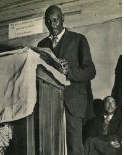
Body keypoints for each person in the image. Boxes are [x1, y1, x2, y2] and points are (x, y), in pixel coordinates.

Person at [37, 5, 96, 155]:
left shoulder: (78, 39)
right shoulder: (41, 45)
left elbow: (90, 71)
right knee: (51, 145)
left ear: (63, 19)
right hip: (49, 102)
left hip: (73, 102)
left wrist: (69, 71)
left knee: (74, 147)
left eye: (56, 20)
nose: (52, 25)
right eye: (48, 21)